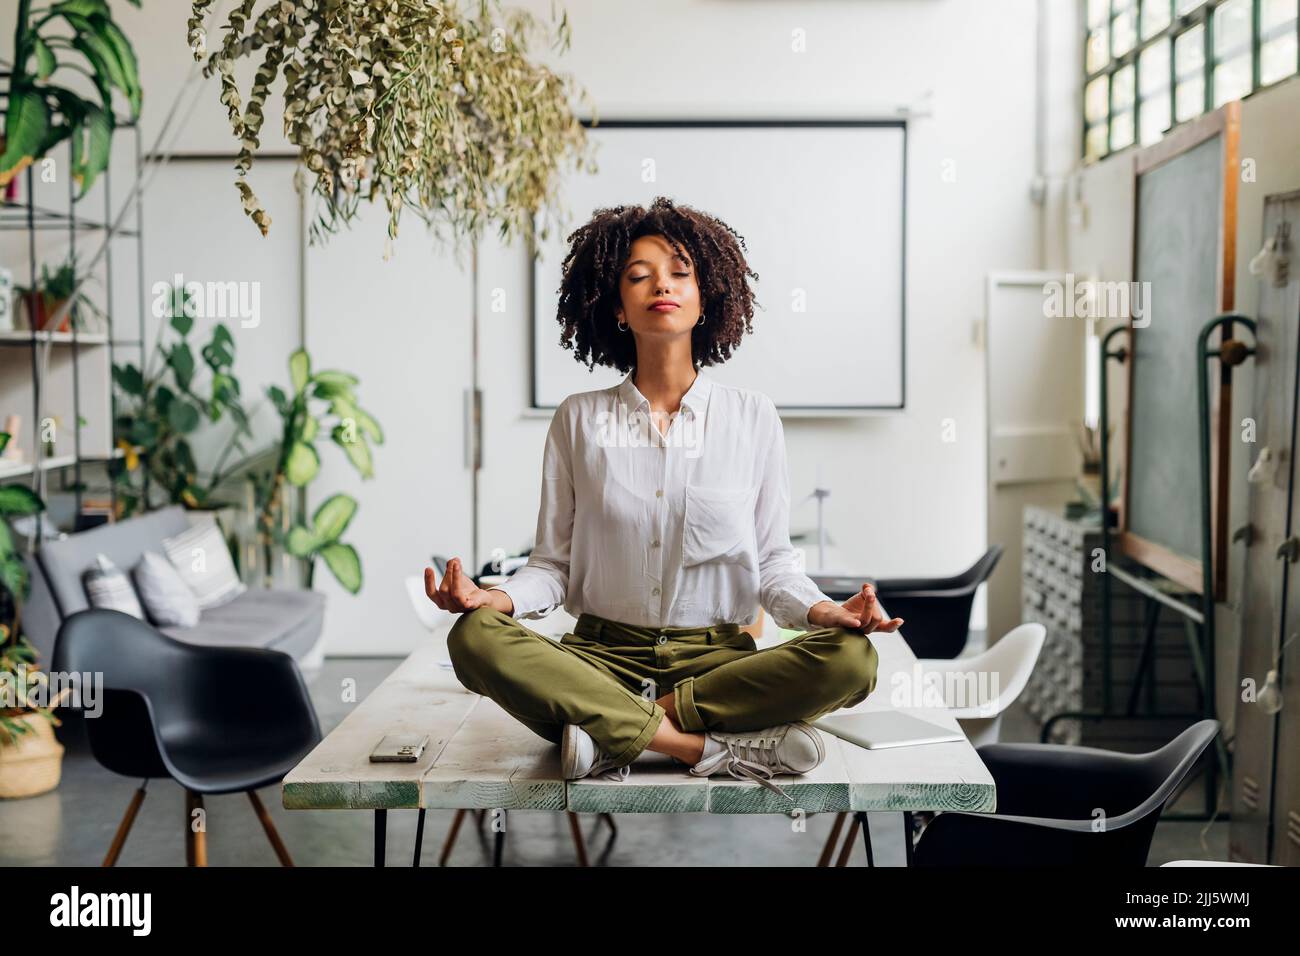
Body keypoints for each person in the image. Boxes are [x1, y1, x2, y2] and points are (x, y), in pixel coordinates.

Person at [425, 197, 902, 799]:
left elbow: (774, 564)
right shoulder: (578, 418)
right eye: (638, 275)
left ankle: (611, 730)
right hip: (600, 661)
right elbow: (551, 568)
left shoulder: (752, 417)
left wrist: (822, 612)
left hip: (717, 667)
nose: (661, 285)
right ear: (617, 306)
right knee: (473, 638)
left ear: (706, 297)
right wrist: (494, 599)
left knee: (853, 661)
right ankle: (701, 747)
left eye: (680, 271)